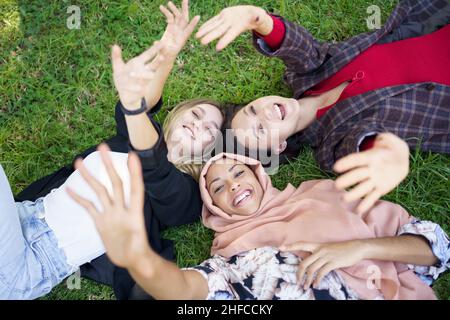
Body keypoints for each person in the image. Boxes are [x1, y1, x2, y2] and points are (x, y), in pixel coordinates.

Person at [1, 0, 222, 300]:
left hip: (30, 263)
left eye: (210, 129)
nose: (199, 125)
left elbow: (155, 163)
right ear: (177, 116)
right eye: (195, 115)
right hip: (20, 216)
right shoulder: (127, 141)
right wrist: (167, 55)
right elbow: (138, 107)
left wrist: (135, 108)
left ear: (210, 150)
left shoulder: (186, 195)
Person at [70, 150, 449, 300]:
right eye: (218, 186)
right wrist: (138, 258)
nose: (234, 185)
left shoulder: (322, 193)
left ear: (258, 174)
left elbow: (435, 248)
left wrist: (360, 248)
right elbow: (187, 291)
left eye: (238, 172)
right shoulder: (231, 253)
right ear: (213, 207)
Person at [196, 0, 450, 213]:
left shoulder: (307, 75)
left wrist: (259, 20)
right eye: (261, 129)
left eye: (252, 110)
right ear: (279, 146)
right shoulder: (331, 145)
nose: (265, 112)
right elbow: (365, 139)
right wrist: (388, 151)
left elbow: (302, 50)